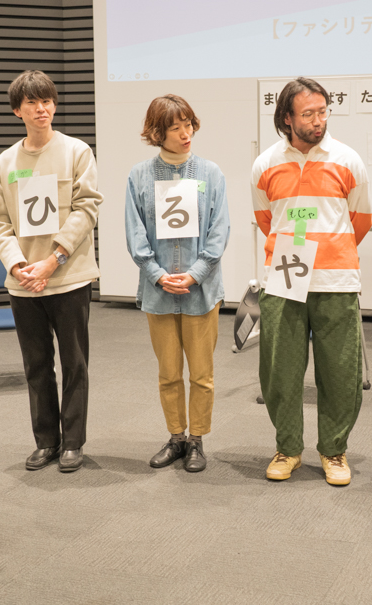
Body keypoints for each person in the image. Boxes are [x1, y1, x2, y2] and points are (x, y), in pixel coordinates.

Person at [250, 77, 372, 486]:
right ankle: (288, 448)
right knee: (280, 370)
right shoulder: (265, 164)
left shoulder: (348, 160)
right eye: (308, 114)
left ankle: (334, 450)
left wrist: (329, 251)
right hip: (283, 278)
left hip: (336, 279)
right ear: (287, 118)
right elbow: (266, 219)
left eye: (322, 112)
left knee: (340, 371)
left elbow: (360, 220)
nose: (318, 120)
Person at [0, 70, 103, 474]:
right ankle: (46, 441)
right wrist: (18, 265)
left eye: (48, 100)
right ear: (17, 111)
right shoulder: (4, 163)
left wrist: (54, 259)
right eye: (32, 103)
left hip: (68, 277)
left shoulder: (76, 152)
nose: (42, 109)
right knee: (36, 366)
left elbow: (87, 208)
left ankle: (73, 442)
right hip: (24, 284)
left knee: (74, 363)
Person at [124, 95, 230, 472]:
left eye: (189, 125)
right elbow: (135, 231)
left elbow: (219, 229)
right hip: (159, 291)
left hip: (201, 290)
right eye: (175, 127)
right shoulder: (139, 175)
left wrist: (196, 272)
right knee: (168, 373)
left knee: (201, 374)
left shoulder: (210, 173)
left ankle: (197, 440)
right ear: (158, 133)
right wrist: (156, 273)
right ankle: (176, 437)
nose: (186, 134)